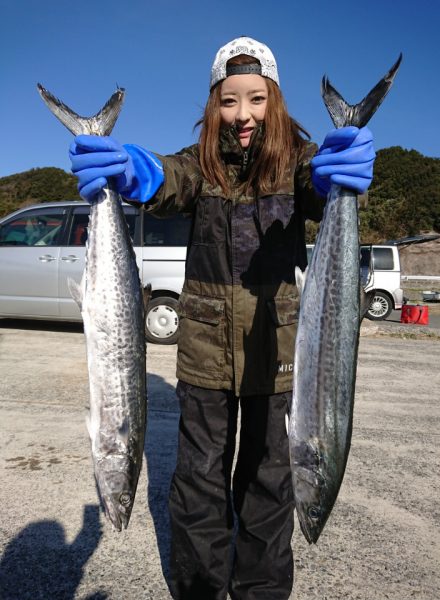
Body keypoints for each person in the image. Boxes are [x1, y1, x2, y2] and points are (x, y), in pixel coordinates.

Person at [69, 36, 375, 600]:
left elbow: (316, 185)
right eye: (228, 101)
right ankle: (201, 590)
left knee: (269, 489)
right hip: (205, 361)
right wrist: (138, 173)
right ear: (214, 105)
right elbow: (169, 179)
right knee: (197, 487)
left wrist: (336, 178)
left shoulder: (299, 165)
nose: (243, 115)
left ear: (274, 100)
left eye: (256, 99)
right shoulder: (201, 166)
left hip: (281, 362)